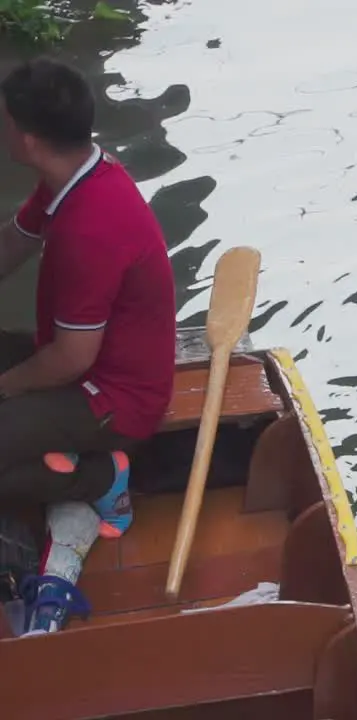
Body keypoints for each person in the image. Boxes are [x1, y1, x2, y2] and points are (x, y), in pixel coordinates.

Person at [0, 58, 177, 632]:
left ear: (25, 137)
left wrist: (2, 388)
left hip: (115, 398)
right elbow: (17, 241)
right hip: (81, 362)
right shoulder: (77, 174)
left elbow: (73, 359)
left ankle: (102, 480)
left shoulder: (90, 226)